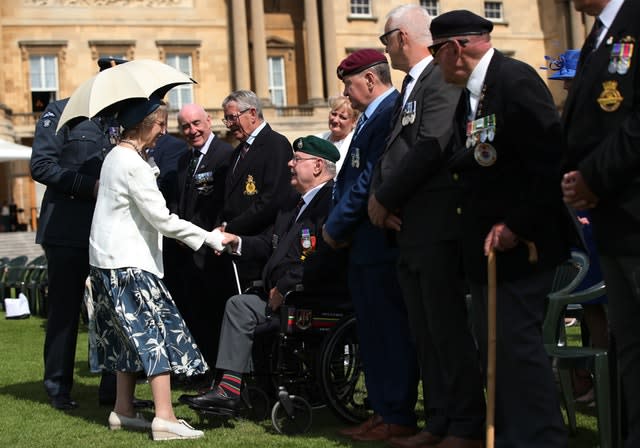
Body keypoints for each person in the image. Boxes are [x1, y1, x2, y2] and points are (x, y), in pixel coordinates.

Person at [429, 10, 572, 447]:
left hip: (523, 246)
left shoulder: (515, 81)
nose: (435, 63)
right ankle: (512, 436)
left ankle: (541, 439)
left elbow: (548, 163)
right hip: (487, 248)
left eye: (436, 52)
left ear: (455, 48)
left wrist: (517, 224)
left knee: (518, 351)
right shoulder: (474, 94)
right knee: (497, 352)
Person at [368, 5, 485, 448]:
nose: (385, 49)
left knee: (447, 330)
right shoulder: (412, 86)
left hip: (437, 223)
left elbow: (432, 145)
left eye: (385, 40)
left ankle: (465, 424)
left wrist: (383, 198)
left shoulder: (438, 76)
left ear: (400, 38)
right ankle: (438, 421)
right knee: (425, 332)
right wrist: (382, 203)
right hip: (410, 225)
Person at [88, 95, 223, 440]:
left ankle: (124, 409)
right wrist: (209, 238)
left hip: (107, 262)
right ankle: (164, 418)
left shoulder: (116, 157)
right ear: (147, 125)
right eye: (162, 124)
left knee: (124, 341)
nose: (165, 132)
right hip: (130, 263)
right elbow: (162, 218)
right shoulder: (132, 164)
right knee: (156, 335)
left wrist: (149, 166)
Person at [178, 135, 344, 412]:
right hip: (280, 295)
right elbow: (271, 243)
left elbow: (323, 259)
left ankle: (231, 388)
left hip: (310, 297)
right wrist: (237, 242)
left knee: (241, 306)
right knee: (239, 305)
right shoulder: (293, 203)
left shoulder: (331, 203)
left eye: (297, 160)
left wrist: (286, 287)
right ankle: (230, 388)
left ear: (317, 167)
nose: (290, 164)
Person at [30, 56, 149, 410]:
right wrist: (90, 186)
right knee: (65, 313)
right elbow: (41, 165)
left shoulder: (127, 122)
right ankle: (58, 389)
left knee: (114, 313)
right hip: (66, 231)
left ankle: (112, 392)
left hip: (110, 232)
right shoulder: (63, 112)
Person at [322, 49, 419, 442]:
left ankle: (396, 414)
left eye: (348, 84)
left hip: (378, 242)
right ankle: (382, 411)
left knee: (389, 333)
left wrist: (335, 225)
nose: (346, 92)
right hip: (363, 244)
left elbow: (369, 181)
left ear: (368, 80)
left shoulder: (389, 112)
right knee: (372, 334)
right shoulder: (370, 117)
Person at [561, 0, 639, 445]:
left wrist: (592, 175)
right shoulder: (601, 32)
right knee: (630, 352)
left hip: (631, 211)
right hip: (614, 221)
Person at [544, 47, 609, 403]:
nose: (565, 88)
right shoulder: (571, 112)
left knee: (600, 306)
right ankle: (588, 379)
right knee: (591, 308)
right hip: (581, 221)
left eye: (568, 81)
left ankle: (598, 379)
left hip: (594, 219)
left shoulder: (591, 110)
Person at [163, 104, 234, 369]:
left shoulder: (224, 155)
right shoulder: (184, 159)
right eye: (185, 126)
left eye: (196, 123)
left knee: (214, 316)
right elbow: (176, 202)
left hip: (212, 252)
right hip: (185, 253)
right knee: (195, 315)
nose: (192, 131)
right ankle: (202, 370)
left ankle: (218, 373)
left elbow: (225, 205)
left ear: (209, 121)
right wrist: (177, 230)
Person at [218, 90, 294, 285]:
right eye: (226, 119)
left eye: (232, 118)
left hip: (261, 246)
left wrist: (231, 227)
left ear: (252, 113)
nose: (229, 124)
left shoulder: (276, 144)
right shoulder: (237, 152)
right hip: (237, 246)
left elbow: (271, 200)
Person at [316, 95, 359, 174]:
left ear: (354, 122)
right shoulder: (317, 139)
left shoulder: (357, 144)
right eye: (333, 114)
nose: (335, 120)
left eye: (342, 117)